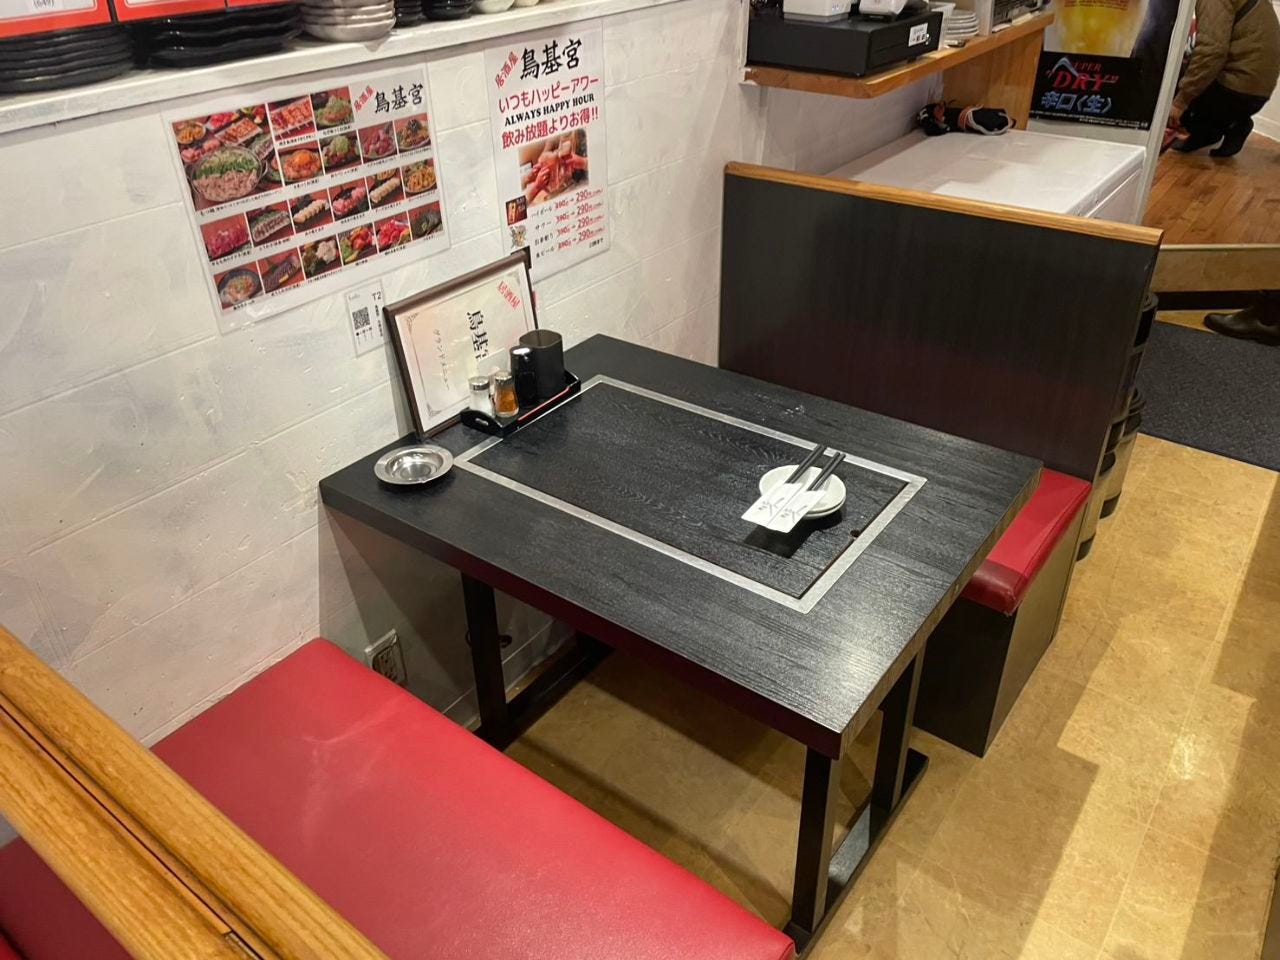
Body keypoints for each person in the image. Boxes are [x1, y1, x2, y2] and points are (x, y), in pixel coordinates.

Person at [1169, 0, 1280, 156]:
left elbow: (1211, 52)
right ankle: (1231, 123)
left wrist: (1180, 102)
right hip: (1257, 91)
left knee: (1172, 79)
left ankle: (1210, 128)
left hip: (1235, 89)